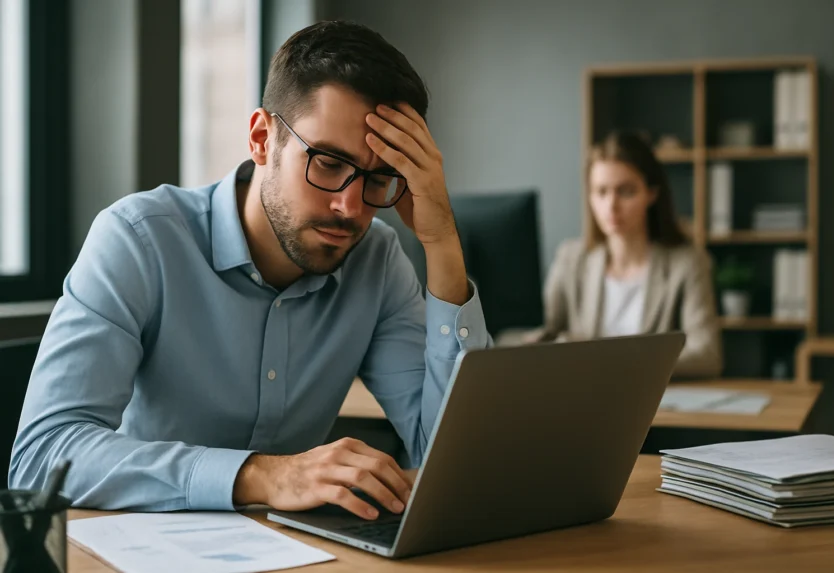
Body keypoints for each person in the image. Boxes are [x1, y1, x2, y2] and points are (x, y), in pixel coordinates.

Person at [9, 21, 490, 520]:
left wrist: (441, 242)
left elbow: (456, 461)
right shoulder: (138, 239)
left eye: (379, 178)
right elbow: (43, 458)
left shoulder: (377, 259)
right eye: (327, 163)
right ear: (262, 139)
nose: (350, 206)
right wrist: (262, 475)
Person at [519, 131, 722, 378]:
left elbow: (707, 354)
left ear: (652, 193)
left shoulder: (688, 262)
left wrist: (620, 365)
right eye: (601, 192)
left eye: (625, 192)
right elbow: (543, 332)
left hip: (654, 404)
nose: (611, 206)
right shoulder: (570, 258)